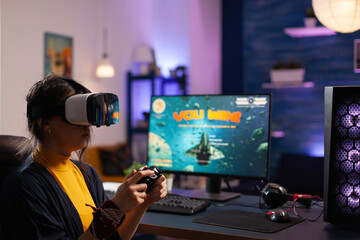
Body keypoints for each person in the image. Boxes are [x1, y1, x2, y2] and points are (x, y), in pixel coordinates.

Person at [0, 74, 167, 240]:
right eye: (75, 114)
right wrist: (114, 209)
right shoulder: (25, 185)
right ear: (44, 123)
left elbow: (112, 237)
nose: (87, 124)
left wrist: (143, 202)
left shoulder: (87, 173)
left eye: (87, 115)